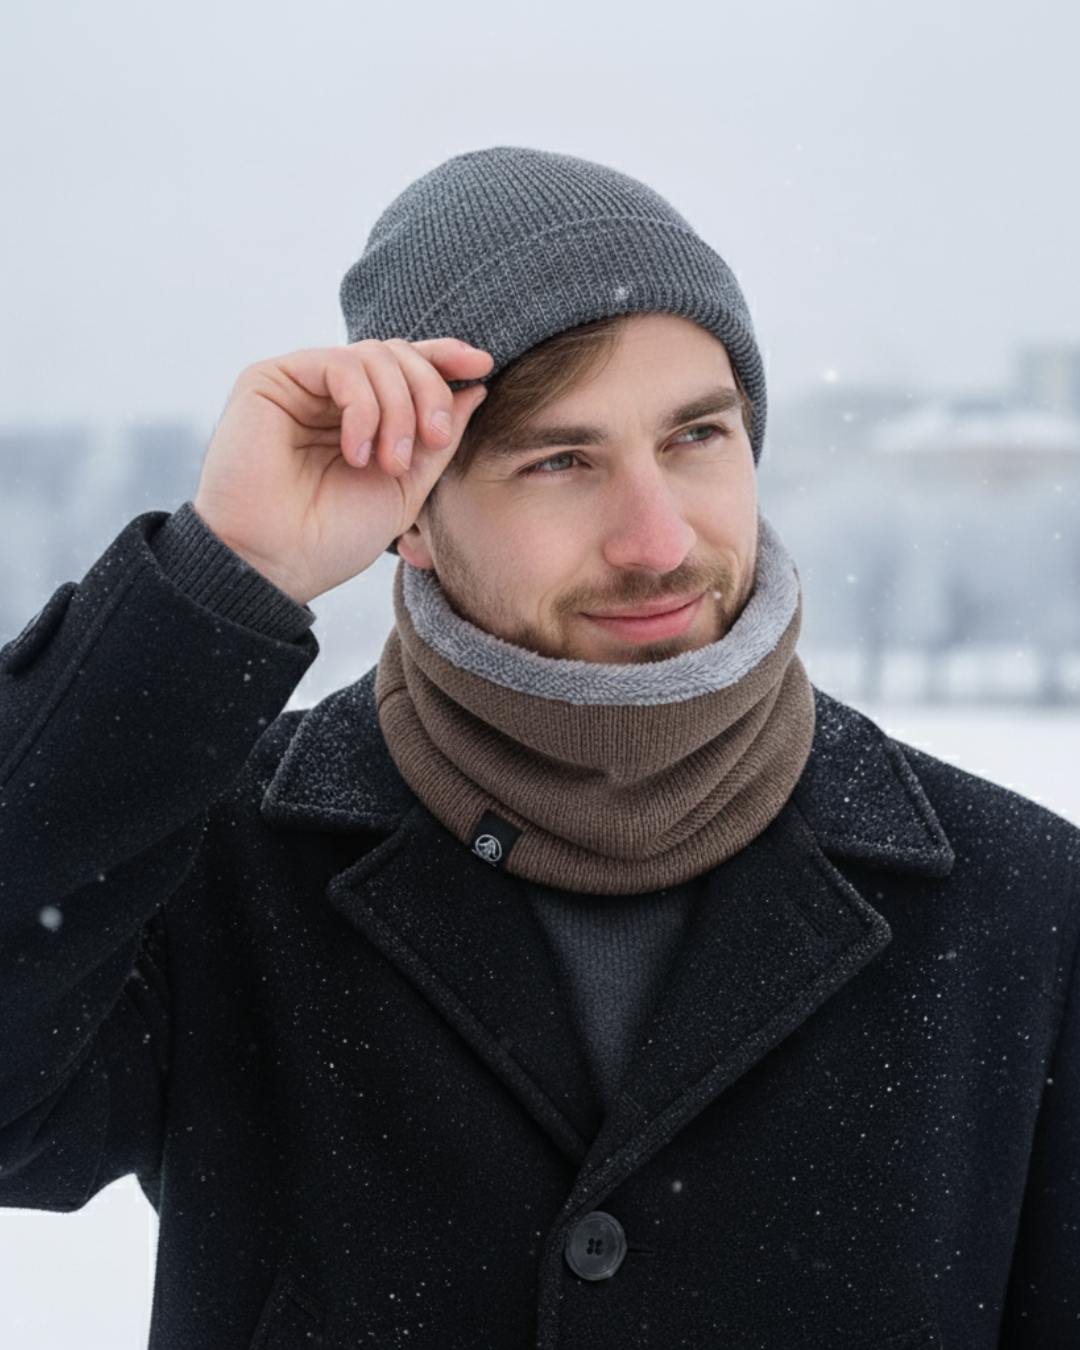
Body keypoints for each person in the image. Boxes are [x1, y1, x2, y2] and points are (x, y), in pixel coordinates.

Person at [0, 147, 1077, 1350]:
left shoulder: (1026, 903)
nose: (656, 540)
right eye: (561, 461)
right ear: (412, 513)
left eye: (696, 436)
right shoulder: (214, 868)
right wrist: (227, 570)